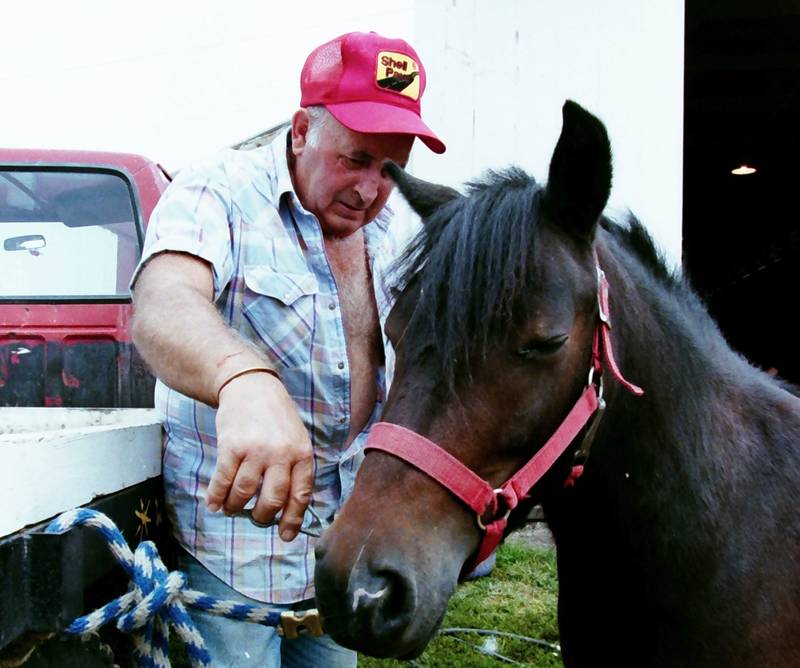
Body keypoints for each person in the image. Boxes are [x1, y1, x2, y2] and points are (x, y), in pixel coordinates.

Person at [130, 31, 444, 666]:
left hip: (337, 551)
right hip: (230, 559)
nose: (370, 189)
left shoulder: (396, 229)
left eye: (390, 168)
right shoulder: (216, 190)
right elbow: (162, 304)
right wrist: (243, 378)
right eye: (354, 159)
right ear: (302, 131)